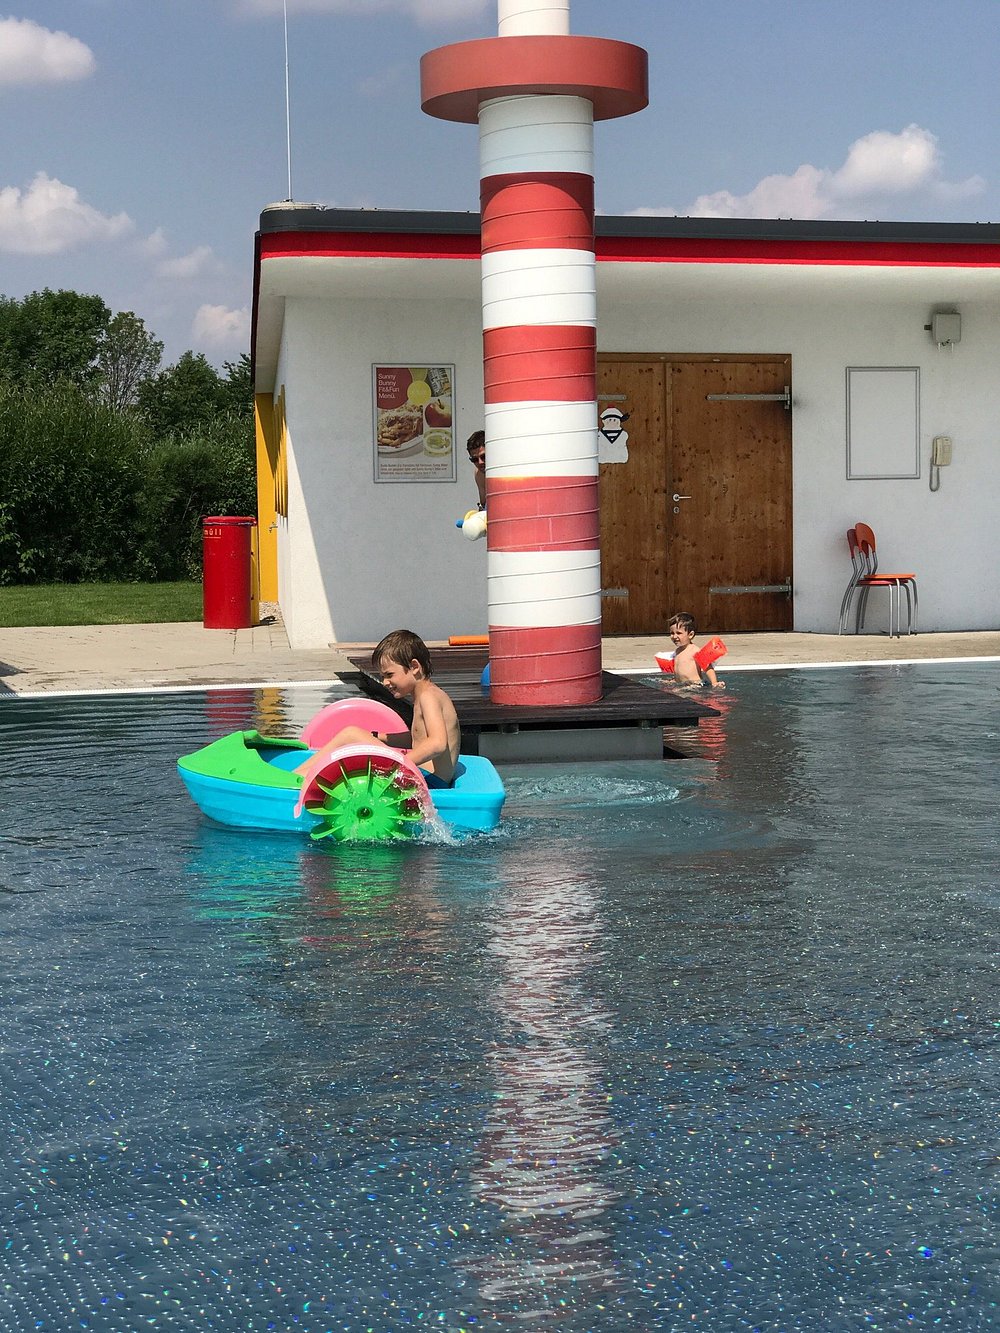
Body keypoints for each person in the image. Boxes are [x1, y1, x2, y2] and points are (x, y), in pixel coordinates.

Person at [302, 629, 461, 785]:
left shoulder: (429, 697)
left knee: (350, 734)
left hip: (429, 780)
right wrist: (378, 736)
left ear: (414, 667)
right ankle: (302, 774)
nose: (384, 682)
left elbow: (437, 743)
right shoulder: (425, 695)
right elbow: (417, 738)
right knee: (354, 737)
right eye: (382, 676)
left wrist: (398, 764)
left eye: (389, 675)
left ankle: (298, 777)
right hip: (427, 776)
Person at [667, 612, 725, 689]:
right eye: (672, 633)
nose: (674, 636)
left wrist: (714, 682)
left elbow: (707, 667)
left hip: (695, 685)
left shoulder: (695, 650)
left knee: (677, 692)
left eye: (678, 633)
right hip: (683, 684)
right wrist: (675, 680)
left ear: (690, 635)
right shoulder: (678, 651)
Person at [466, 430, 487, 509]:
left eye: (483, 456)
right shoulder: (479, 473)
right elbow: (483, 504)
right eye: (474, 459)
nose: (480, 462)